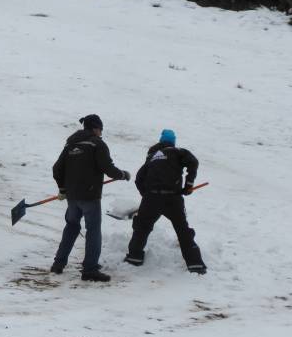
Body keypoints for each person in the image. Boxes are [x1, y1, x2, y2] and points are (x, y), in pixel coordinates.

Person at [51, 114, 131, 282]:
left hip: (72, 196)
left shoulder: (70, 144)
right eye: (100, 129)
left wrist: (63, 189)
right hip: (89, 195)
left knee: (71, 226)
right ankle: (90, 269)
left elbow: (57, 168)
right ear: (95, 128)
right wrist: (123, 175)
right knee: (93, 230)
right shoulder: (97, 144)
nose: (101, 133)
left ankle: (58, 264)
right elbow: (108, 168)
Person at [124, 129, 207, 274]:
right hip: (172, 198)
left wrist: (147, 195)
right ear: (173, 142)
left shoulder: (152, 156)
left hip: (152, 199)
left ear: (161, 141)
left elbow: (139, 179)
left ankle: (134, 257)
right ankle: (195, 264)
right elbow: (193, 162)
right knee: (182, 230)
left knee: (142, 227)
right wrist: (189, 185)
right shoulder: (177, 152)